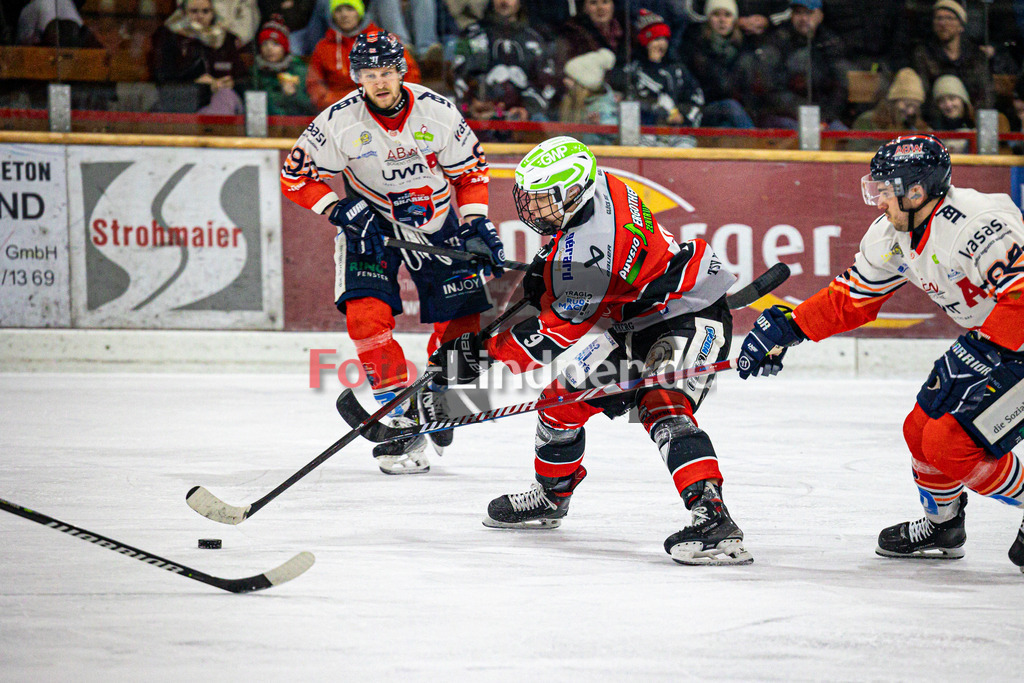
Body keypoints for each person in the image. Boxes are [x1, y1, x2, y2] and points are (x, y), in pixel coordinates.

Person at [429, 136, 753, 565]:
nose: (532, 209)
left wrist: (481, 355)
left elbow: (553, 335)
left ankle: (714, 519)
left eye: (543, 200)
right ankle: (551, 497)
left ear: (573, 191)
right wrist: (545, 274)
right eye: (531, 198)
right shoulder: (599, 185)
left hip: (690, 311)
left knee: (662, 403)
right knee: (558, 403)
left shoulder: (597, 247)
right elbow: (570, 255)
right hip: (632, 318)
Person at [736, 134, 1024, 570]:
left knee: (951, 445)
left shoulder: (979, 225)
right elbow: (852, 297)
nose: (878, 200)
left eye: (886, 190)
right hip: (997, 342)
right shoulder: (892, 233)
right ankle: (944, 526)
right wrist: (791, 328)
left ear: (917, 190)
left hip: (1011, 339)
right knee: (919, 429)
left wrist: (984, 350)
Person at [281, 30, 504, 475]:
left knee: (462, 326)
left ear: (401, 71)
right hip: (372, 227)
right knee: (364, 313)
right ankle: (396, 407)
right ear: (356, 77)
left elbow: (471, 171)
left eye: (386, 72)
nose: (379, 82)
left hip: (436, 221)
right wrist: (338, 207)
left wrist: (476, 221)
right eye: (368, 74)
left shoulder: (437, 111)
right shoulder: (337, 122)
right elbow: (296, 176)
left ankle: (435, 395)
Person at [451, 0, 558, 130]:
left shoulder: (535, 38)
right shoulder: (472, 35)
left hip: (523, 118)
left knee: (541, 120)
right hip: (477, 117)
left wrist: (526, 109)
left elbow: (546, 83)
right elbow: (458, 76)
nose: (504, 1)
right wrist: (471, 105)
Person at [306, 0, 422, 112]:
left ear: (359, 12)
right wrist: (330, 104)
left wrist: (393, 101)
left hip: (382, 106)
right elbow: (314, 83)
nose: (344, 15)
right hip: (341, 110)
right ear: (332, 16)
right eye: (338, 10)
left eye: (350, 9)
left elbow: (409, 72)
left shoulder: (383, 40)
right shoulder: (323, 47)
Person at [151, 0, 249, 114]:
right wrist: (197, 83)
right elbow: (162, 76)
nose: (200, 16)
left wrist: (233, 83)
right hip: (184, 101)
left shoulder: (225, 38)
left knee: (225, 96)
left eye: (205, 11)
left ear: (213, 13)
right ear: (183, 13)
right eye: (194, 11)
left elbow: (244, 78)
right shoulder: (170, 36)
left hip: (223, 101)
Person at [911, 0, 994, 110]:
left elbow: (986, 94)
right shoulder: (924, 53)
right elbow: (923, 92)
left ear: (961, 26)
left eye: (949, 18)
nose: (943, 23)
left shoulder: (975, 55)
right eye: (939, 18)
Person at [253, 15, 315, 115]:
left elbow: (312, 108)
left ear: (284, 48)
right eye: (264, 44)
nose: (269, 49)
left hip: (296, 127)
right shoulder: (255, 73)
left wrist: (293, 95)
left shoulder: (300, 71)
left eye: (275, 44)